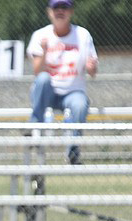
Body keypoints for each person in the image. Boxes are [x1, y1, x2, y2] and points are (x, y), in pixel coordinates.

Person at [27, 0, 98, 164]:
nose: (60, 11)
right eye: (56, 8)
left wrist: (91, 67)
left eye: (64, 7)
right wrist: (44, 51)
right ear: (49, 12)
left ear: (71, 11)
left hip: (73, 91)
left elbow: (93, 73)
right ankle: (35, 127)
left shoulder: (83, 35)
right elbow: (37, 71)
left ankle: (73, 152)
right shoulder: (40, 35)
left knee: (80, 104)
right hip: (49, 92)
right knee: (43, 78)